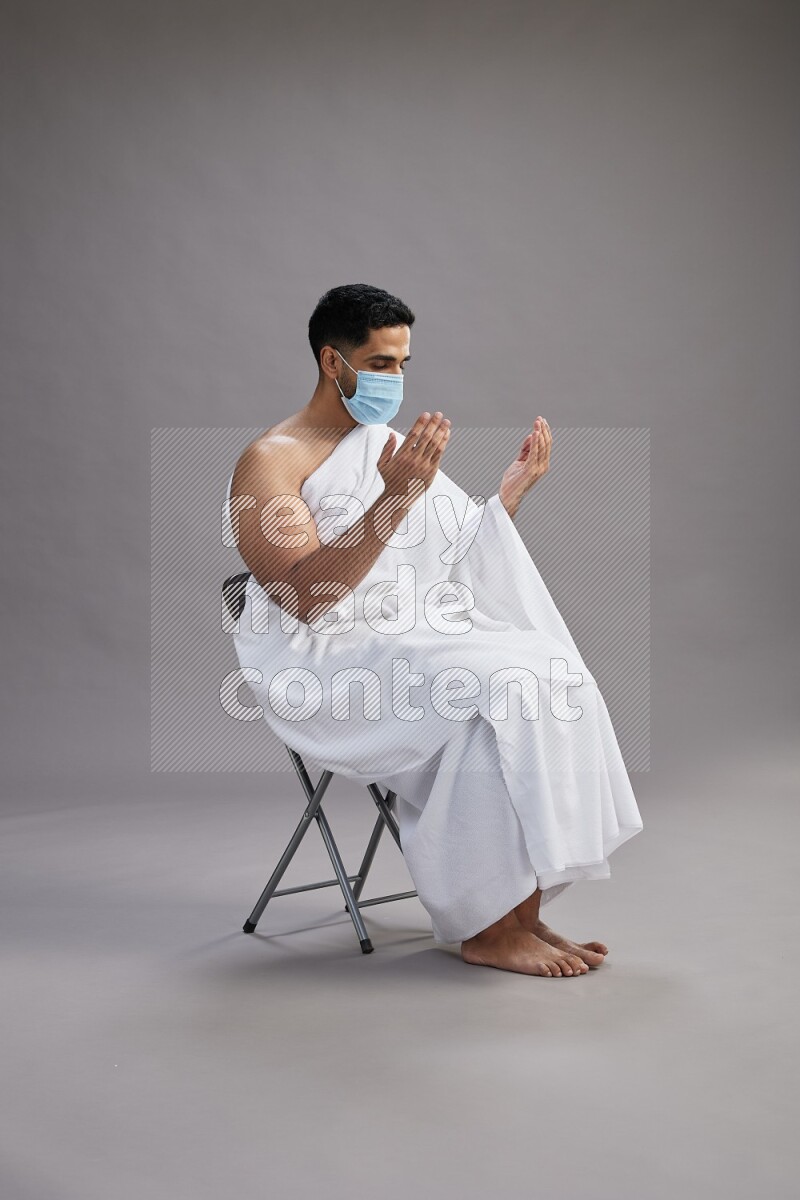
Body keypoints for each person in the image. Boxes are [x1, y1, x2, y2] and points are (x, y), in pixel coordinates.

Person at [226, 283, 643, 978]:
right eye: (382, 363)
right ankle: (486, 926)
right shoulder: (270, 460)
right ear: (334, 362)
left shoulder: (384, 446)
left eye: (403, 364)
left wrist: (505, 497)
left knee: (548, 670)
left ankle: (522, 913)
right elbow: (304, 597)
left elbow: (443, 557)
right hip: (324, 657)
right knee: (494, 687)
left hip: (407, 632)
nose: (396, 379)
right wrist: (394, 496)